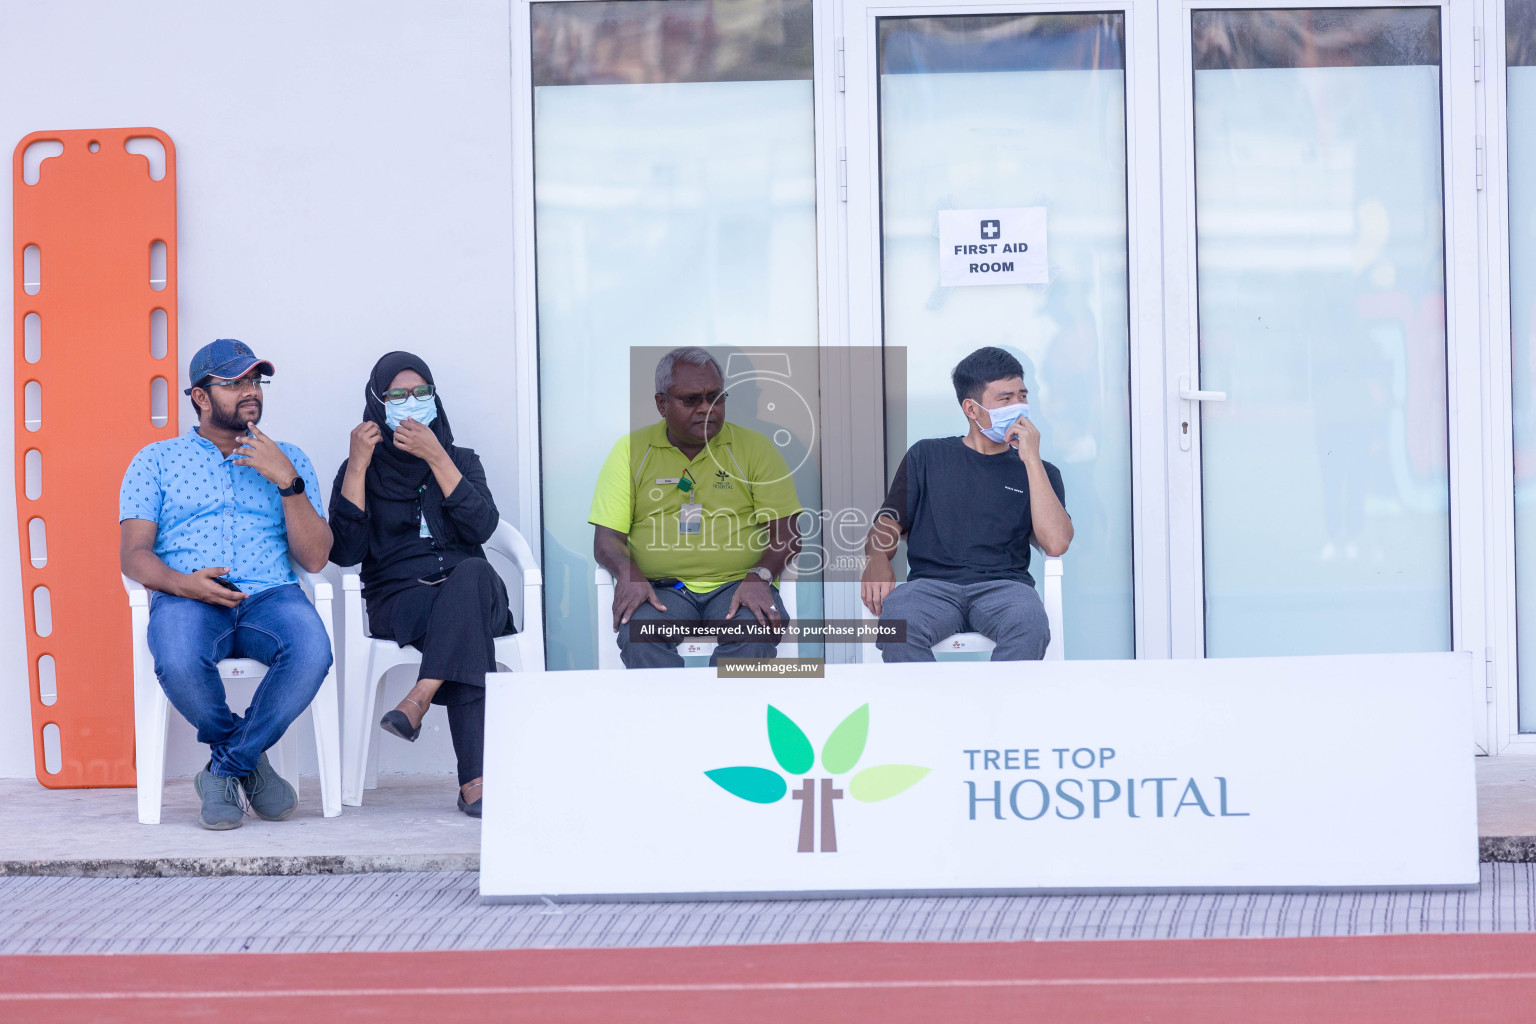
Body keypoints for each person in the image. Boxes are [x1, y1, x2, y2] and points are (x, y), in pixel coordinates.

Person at [119, 339, 333, 830]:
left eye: (255, 381)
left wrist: (288, 481)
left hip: (271, 596)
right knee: (175, 657)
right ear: (200, 396)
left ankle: (223, 769)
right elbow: (133, 555)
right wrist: (185, 586)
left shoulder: (290, 456)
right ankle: (249, 762)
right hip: (186, 595)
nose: (250, 391)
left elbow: (316, 558)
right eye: (234, 382)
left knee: (312, 653)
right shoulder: (155, 460)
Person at [328, 352, 510, 817]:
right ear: (376, 402)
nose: (411, 402)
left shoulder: (463, 461)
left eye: (421, 392)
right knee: (465, 627)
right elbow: (346, 552)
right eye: (397, 394)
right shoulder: (359, 467)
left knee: (469, 576)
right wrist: (357, 466)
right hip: (401, 599)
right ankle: (474, 784)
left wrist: (436, 455)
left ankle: (419, 695)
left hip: (476, 587)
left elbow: (482, 528)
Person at [591, 347, 803, 669]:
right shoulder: (630, 451)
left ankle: (728, 716)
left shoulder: (754, 448)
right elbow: (607, 539)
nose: (707, 409)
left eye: (716, 398)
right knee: (639, 632)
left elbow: (787, 534)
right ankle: (670, 718)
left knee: (754, 629)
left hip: (738, 584)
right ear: (662, 404)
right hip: (662, 589)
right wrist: (628, 573)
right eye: (692, 400)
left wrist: (760, 577)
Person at [861, 346, 1072, 661]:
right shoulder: (927, 456)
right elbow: (888, 522)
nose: (1018, 407)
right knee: (898, 624)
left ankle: (1003, 708)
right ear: (971, 410)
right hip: (930, 587)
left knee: (1030, 623)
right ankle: (925, 709)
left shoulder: (1041, 472)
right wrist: (877, 557)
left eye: (1022, 396)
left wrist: (1031, 462)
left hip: (1005, 588)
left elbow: (1055, 543)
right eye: (1005, 399)